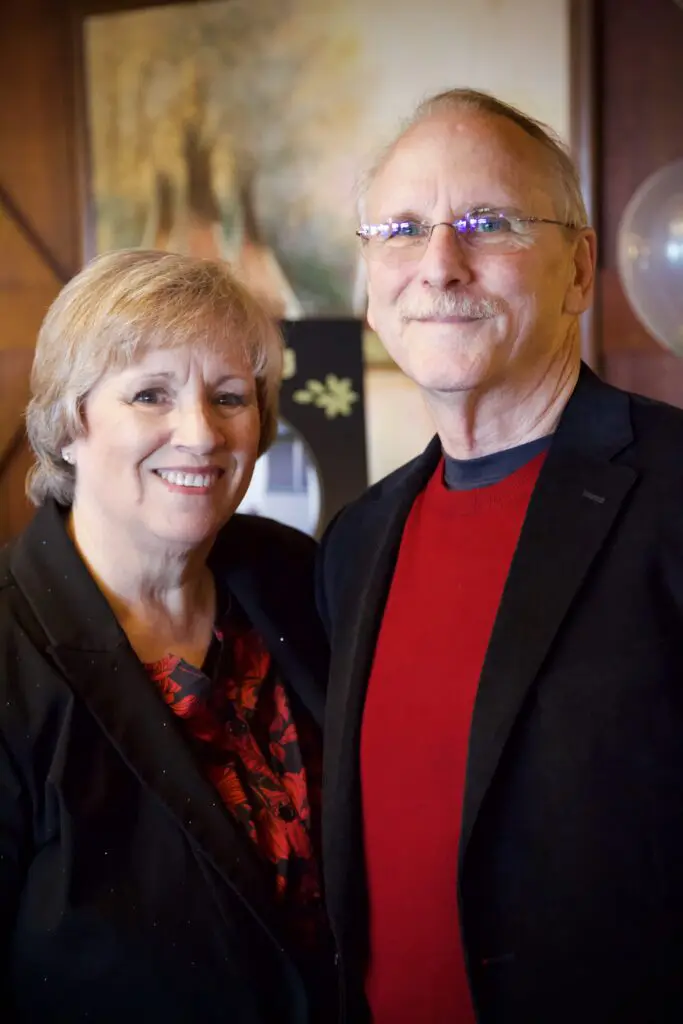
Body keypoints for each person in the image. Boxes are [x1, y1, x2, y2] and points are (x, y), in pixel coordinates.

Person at [317, 87, 683, 1024]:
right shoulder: (356, 541)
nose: (439, 265)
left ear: (578, 268)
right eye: (400, 228)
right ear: (367, 281)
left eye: (486, 222)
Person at [0, 249, 336, 1023]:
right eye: (151, 394)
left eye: (228, 397)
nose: (200, 434)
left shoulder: (295, 580)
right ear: (70, 421)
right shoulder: (11, 651)